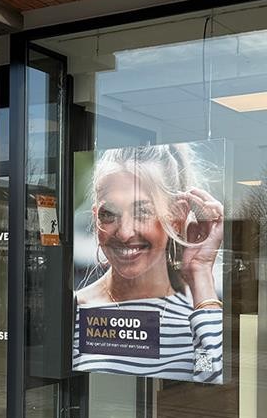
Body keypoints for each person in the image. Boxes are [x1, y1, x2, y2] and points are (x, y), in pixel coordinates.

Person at [74, 143, 224, 383]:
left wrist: (201, 272)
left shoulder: (201, 317)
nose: (124, 233)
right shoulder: (73, 311)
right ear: (95, 217)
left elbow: (214, 387)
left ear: (176, 218)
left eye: (142, 212)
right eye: (108, 214)